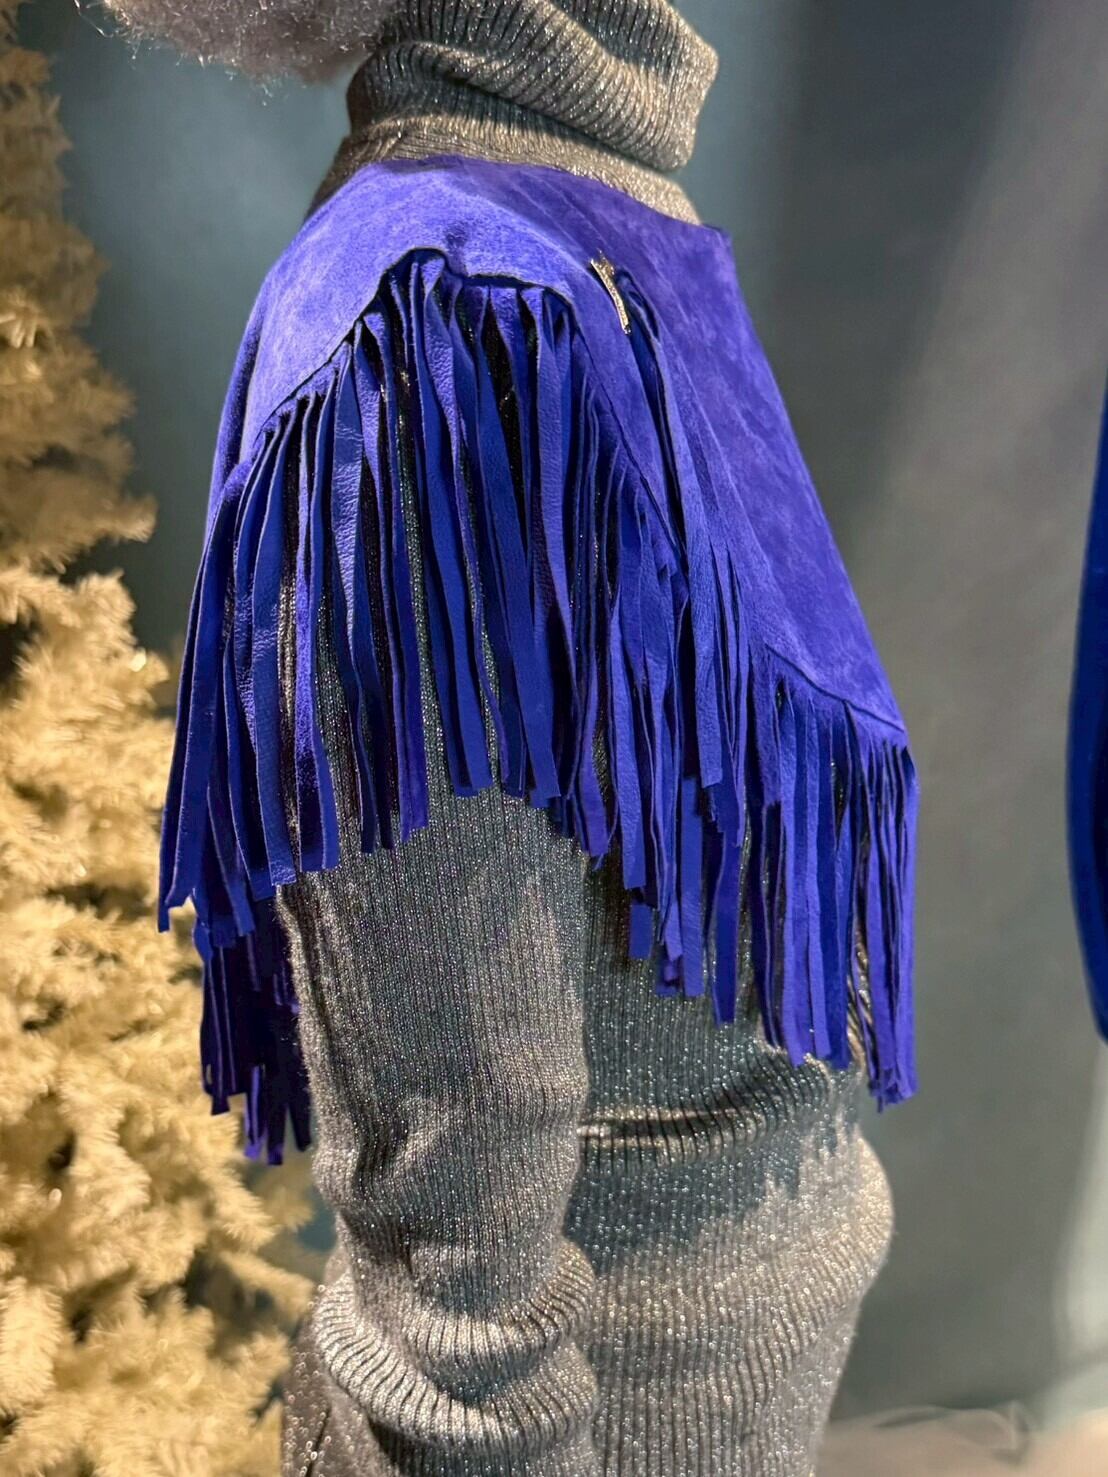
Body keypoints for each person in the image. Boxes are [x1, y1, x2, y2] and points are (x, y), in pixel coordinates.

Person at [125, 3, 918, 1471]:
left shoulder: (593, 220)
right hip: (605, 1414)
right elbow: (456, 1191)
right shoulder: (433, 314)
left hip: (715, 1371)